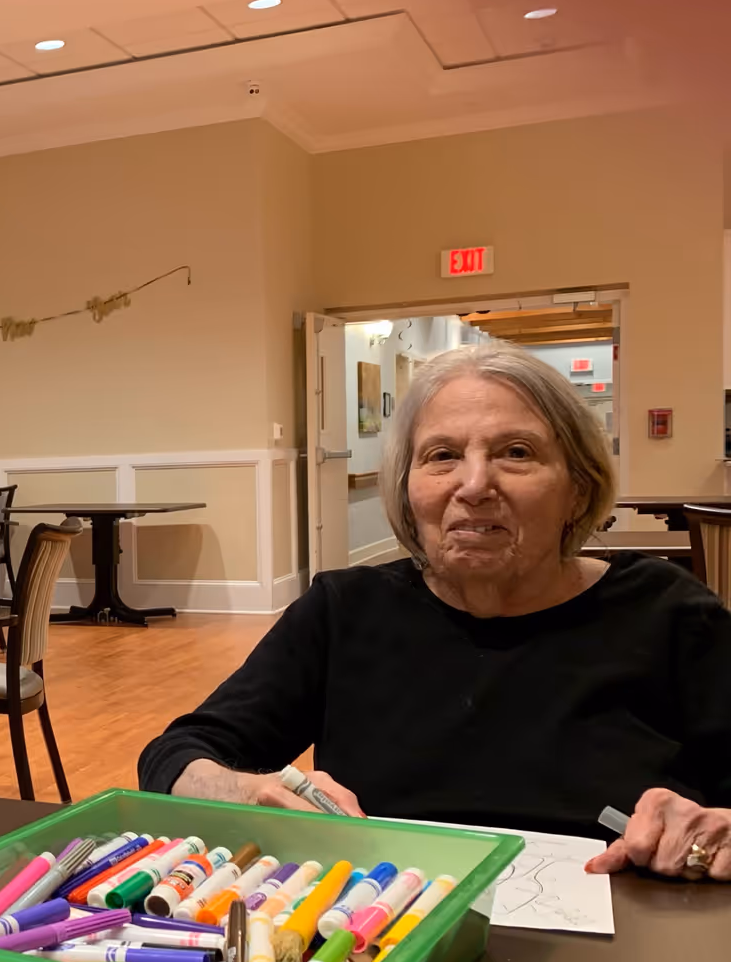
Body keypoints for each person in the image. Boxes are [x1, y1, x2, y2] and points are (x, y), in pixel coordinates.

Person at [136, 342, 731, 880]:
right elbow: (174, 757)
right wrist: (244, 791)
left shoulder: (670, 615)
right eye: (442, 456)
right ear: (408, 489)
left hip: (626, 952)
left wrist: (713, 833)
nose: (473, 484)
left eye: (516, 452)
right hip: (373, 943)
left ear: (578, 486)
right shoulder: (344, 612)